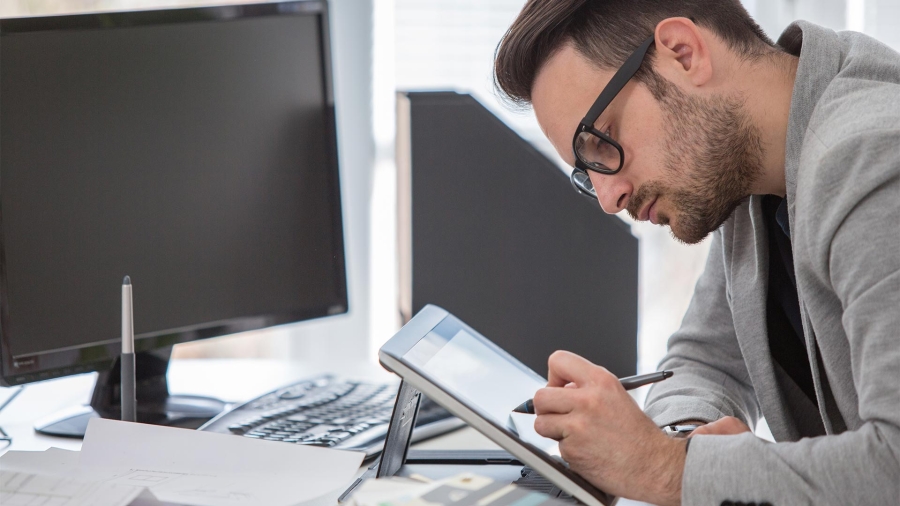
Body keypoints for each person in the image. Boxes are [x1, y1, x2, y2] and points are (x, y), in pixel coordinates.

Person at [492, 1, 899, 505]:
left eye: (602, 142)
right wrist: (686, 435)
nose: (608, 198)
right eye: (586, 172)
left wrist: (663, 468)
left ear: (683, 54)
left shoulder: (875, 158)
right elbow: (707, 358)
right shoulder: (752, 169)